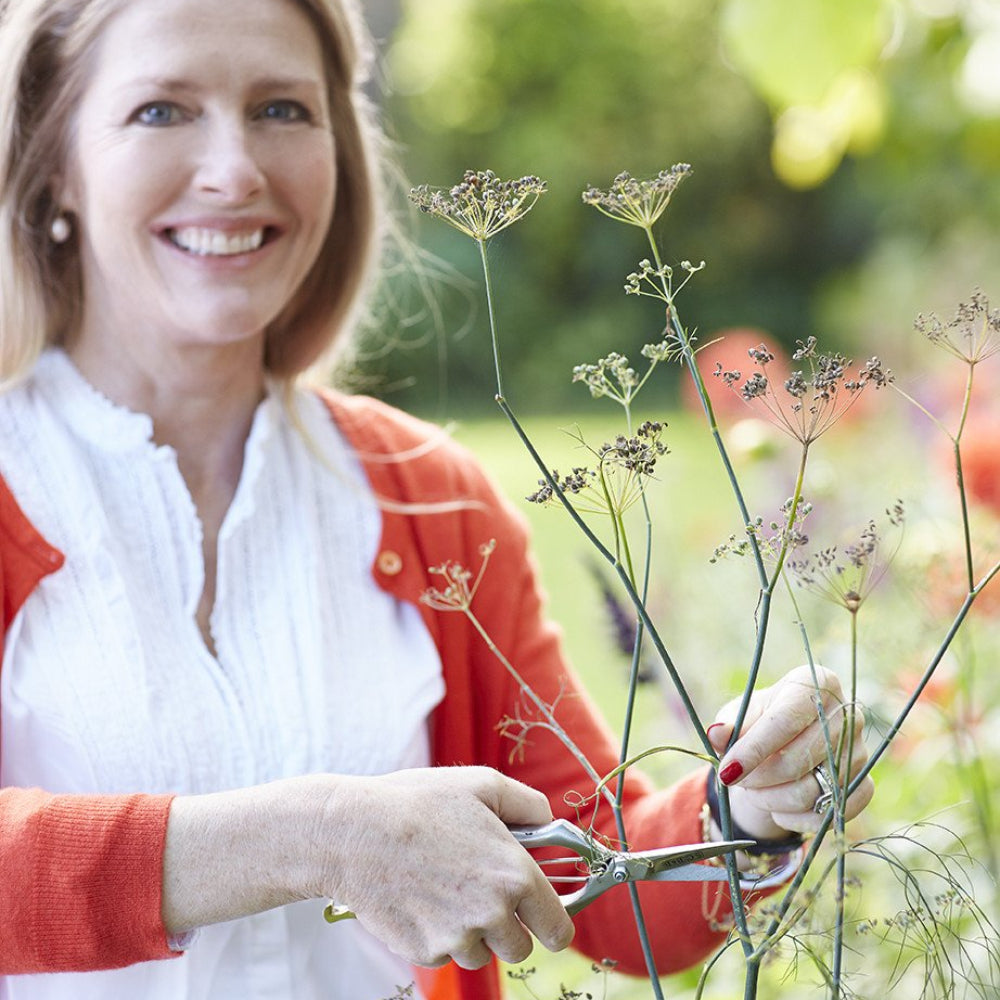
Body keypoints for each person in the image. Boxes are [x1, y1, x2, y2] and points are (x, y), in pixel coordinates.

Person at [0, 0, 875, 997]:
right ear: (53, 161)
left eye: (282, 108)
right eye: (161, 110)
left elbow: (603, 876)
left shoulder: (428, 503)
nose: (235, 167)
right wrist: (313, 837)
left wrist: (750, 803)